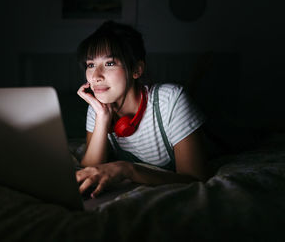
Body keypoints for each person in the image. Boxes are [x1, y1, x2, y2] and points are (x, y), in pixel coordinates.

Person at [76, 20, 210, 198]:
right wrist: (102, 116)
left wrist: (128, 170)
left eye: (109, 63)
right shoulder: (98, 106)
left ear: (136, 70)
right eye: (90, 65)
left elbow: (197, 179)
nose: (96, 76)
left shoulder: (171, 100)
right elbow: (90, 169)